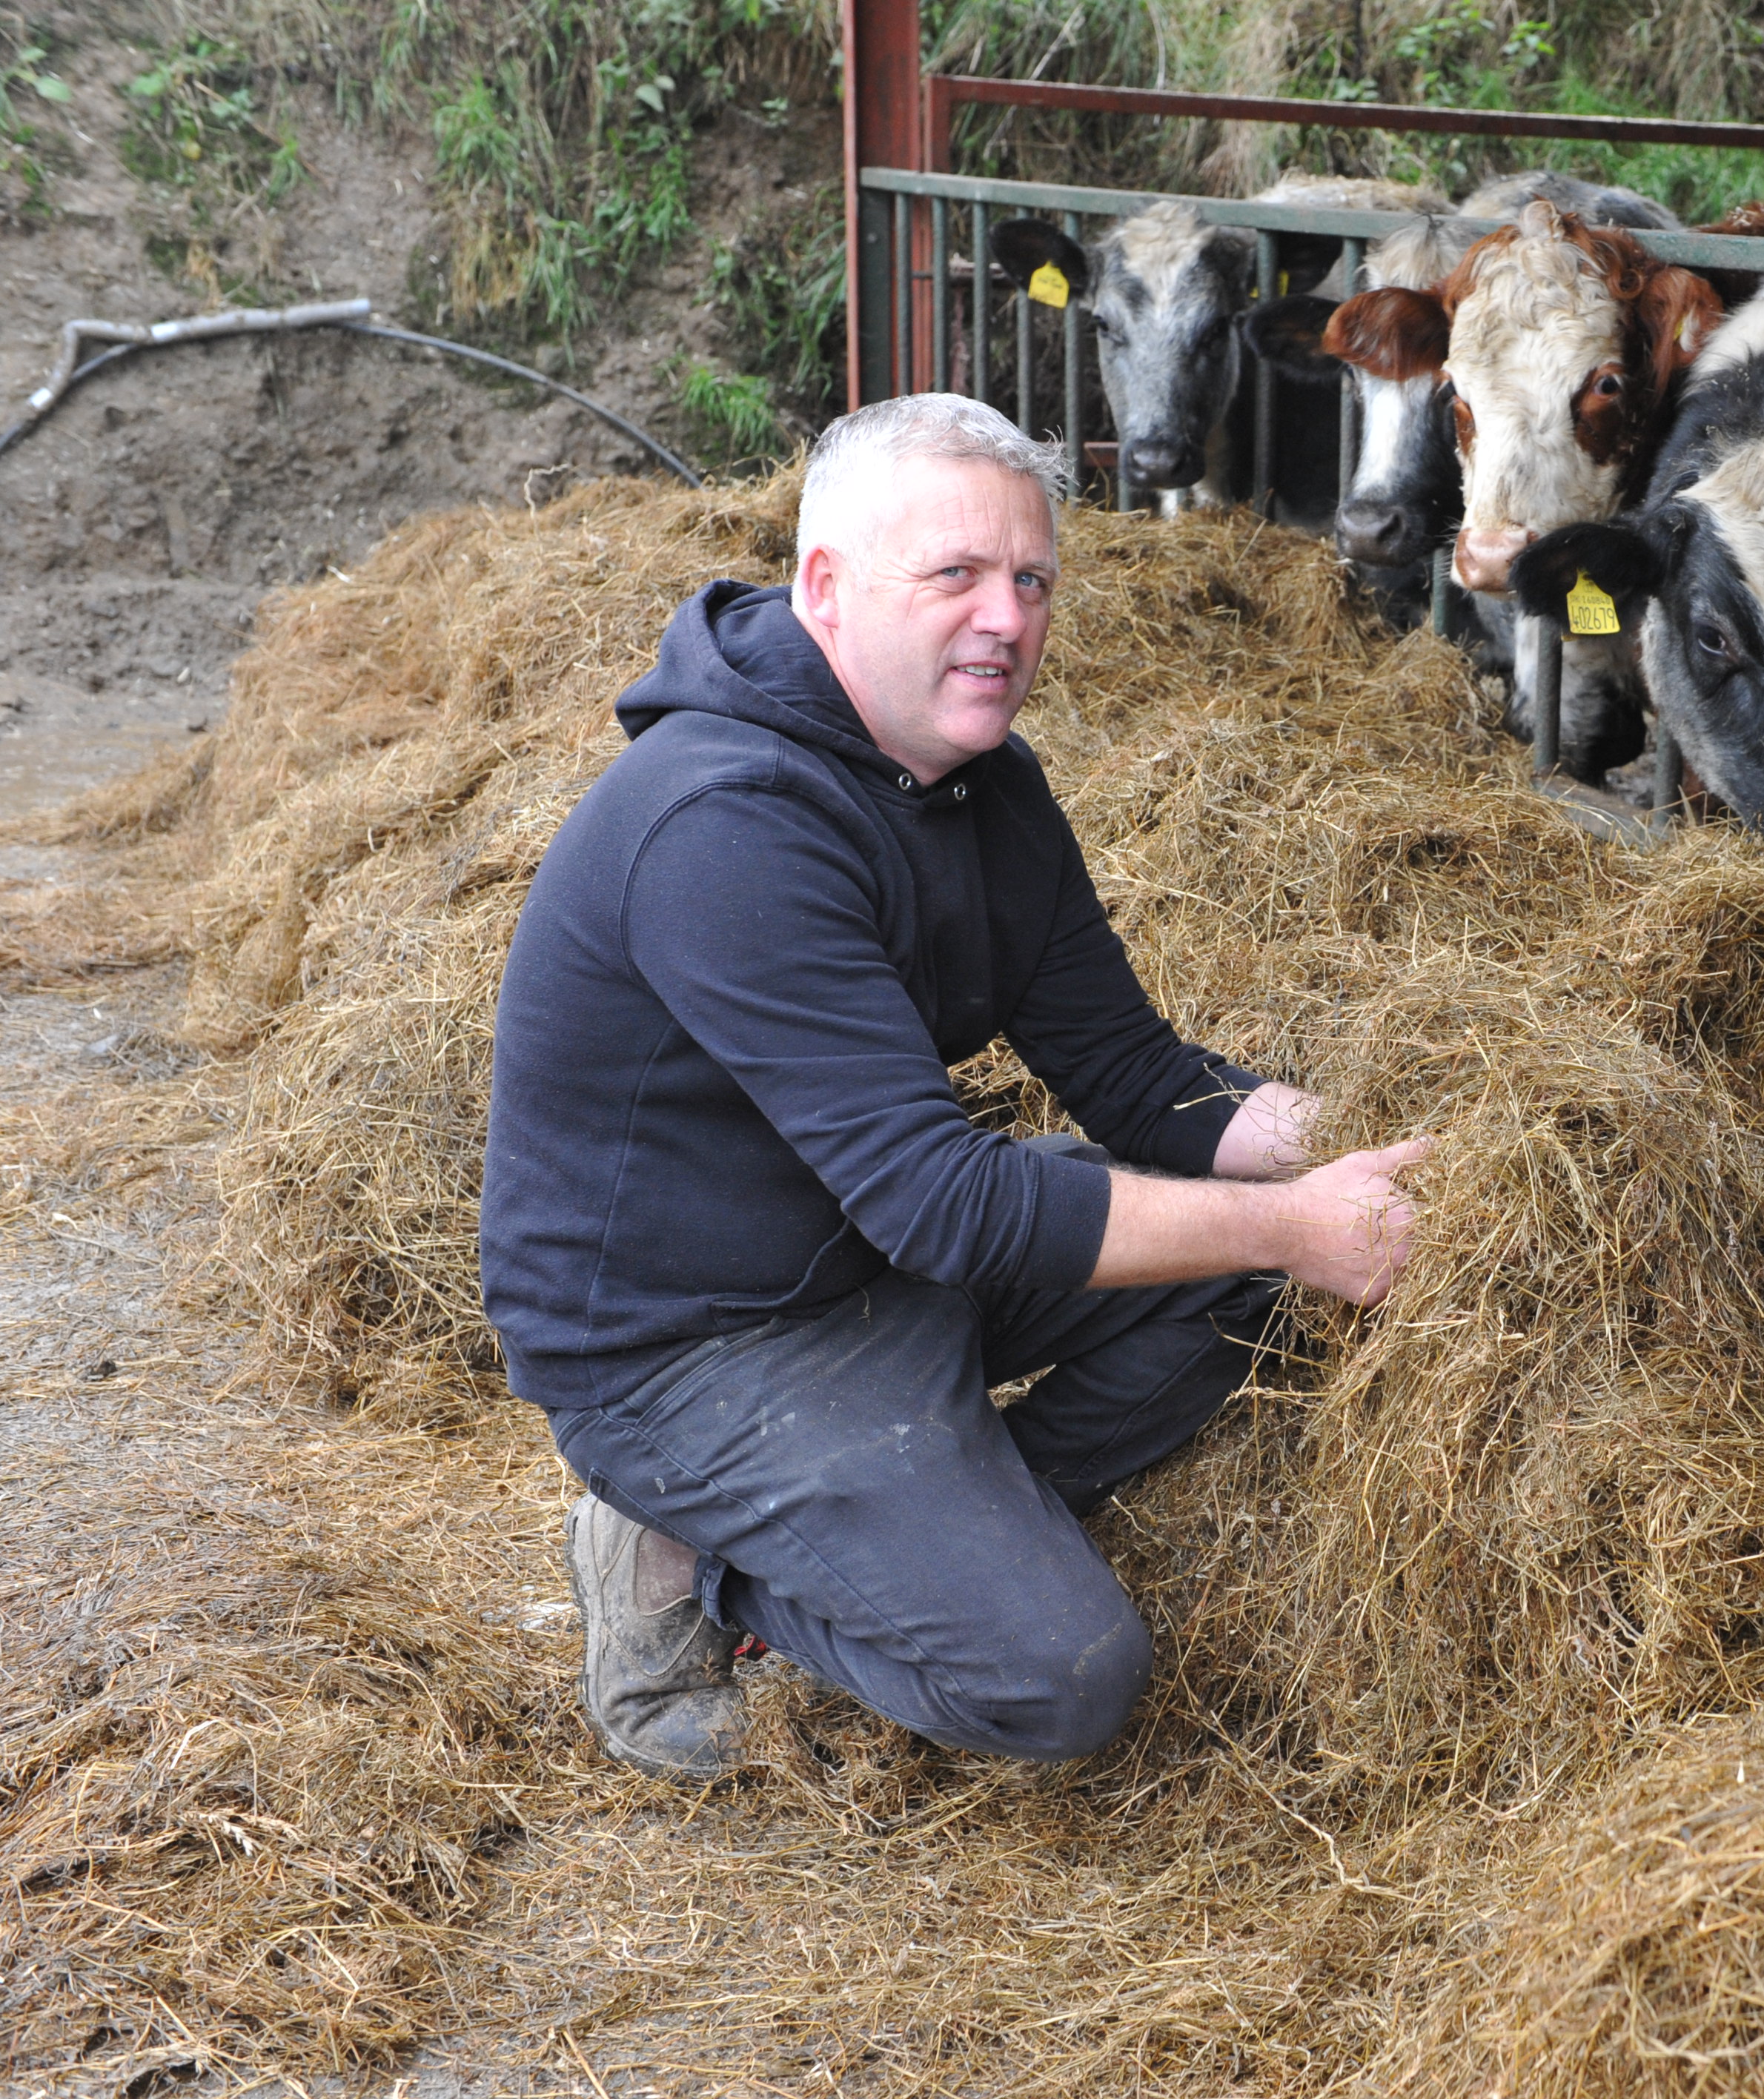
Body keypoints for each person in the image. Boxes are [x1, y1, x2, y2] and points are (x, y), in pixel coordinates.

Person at [480, 394, 1430, 1782]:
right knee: (1063, 1679)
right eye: (955, 576)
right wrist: (1302, 1225)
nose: (1006, 618)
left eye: (1031, 579)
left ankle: (929, 1532)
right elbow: (945, 1204)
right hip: (687, 1346)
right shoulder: (722, 825)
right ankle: (695, 1561)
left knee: (1250, 1279)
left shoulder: (984, 786)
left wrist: (1348, 1149)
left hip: (874, 1251)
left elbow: (1135, 1078)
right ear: (825, 586)